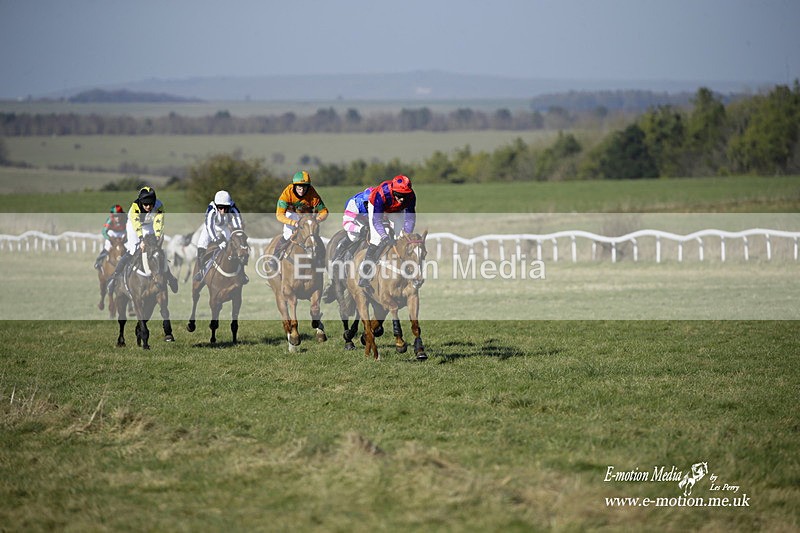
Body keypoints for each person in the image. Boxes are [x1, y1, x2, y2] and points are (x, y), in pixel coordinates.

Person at [107, 186, 178, 294]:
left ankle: (170, 277)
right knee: (132, 250)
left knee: (157, 251)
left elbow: (158, 221)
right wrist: (141, 240)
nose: (148, 206)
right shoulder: (135, 208)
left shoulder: (159, 206)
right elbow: (136, 225)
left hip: (149, 225)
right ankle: (114, 278)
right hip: (134, 226)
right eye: (146, 204)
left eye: (151, 204)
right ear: (141, 202)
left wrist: (158, 235)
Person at [358, 175, 416, 288]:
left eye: (405, 195)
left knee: (401, 238)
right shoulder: (382, 193)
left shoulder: (411, 196)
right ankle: (365, 272)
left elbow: (410, 218)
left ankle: (407, 271)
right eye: (399, 195)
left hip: (396, 210)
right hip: (376, 207)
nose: (403, 199)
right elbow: (376, 220)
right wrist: (384, 236)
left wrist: (406, 233)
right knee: (377, 238)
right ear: (393, 191)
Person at [272, 171, 329, 261]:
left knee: (314, 236)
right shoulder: (287, 193)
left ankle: (322, 260)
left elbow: (324, 211)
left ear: (308, 187)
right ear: (294, 186)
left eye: (304, 188)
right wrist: (293, 223)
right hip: (291, 214)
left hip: (307, 215)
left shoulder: (312, 193)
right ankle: (275, 257)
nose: (302, 190)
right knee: (287, 235)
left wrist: (317, 220)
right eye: (299, 187)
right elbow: (279, 215)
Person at [194, 190, 247, 284]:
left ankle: (242, 273)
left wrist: (238, 237)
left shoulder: (234, 209)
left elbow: (237, 225)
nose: (222, 210)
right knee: (201, 245)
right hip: (211, 227)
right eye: (220, 207)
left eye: (225, 208)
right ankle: (201, 271)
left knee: (236, 246)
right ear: (216, 206)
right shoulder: (211, 210)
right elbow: (209, 227)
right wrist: (218, 241)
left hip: (225, 227)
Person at [330, 186, 372, 263]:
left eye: (373, 203)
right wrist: (360, 229)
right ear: (363, 201)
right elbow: (346, 224)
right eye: (367, 203)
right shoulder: (355, 203)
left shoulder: (381, 203)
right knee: (353, 237)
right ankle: (338, 256)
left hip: (373, 219)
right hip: (358, 218)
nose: (370, 206)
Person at [93, 204, 127, 269]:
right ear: (112, 216)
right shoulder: (110, 220)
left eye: (119, 216)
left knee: (128, 246)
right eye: (115, 216)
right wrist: (110, 239)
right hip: (112, 233)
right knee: (108, 247)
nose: (117, 218)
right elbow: (104, 231)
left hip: (123, 232)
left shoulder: (126, 217)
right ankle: (99, 261)